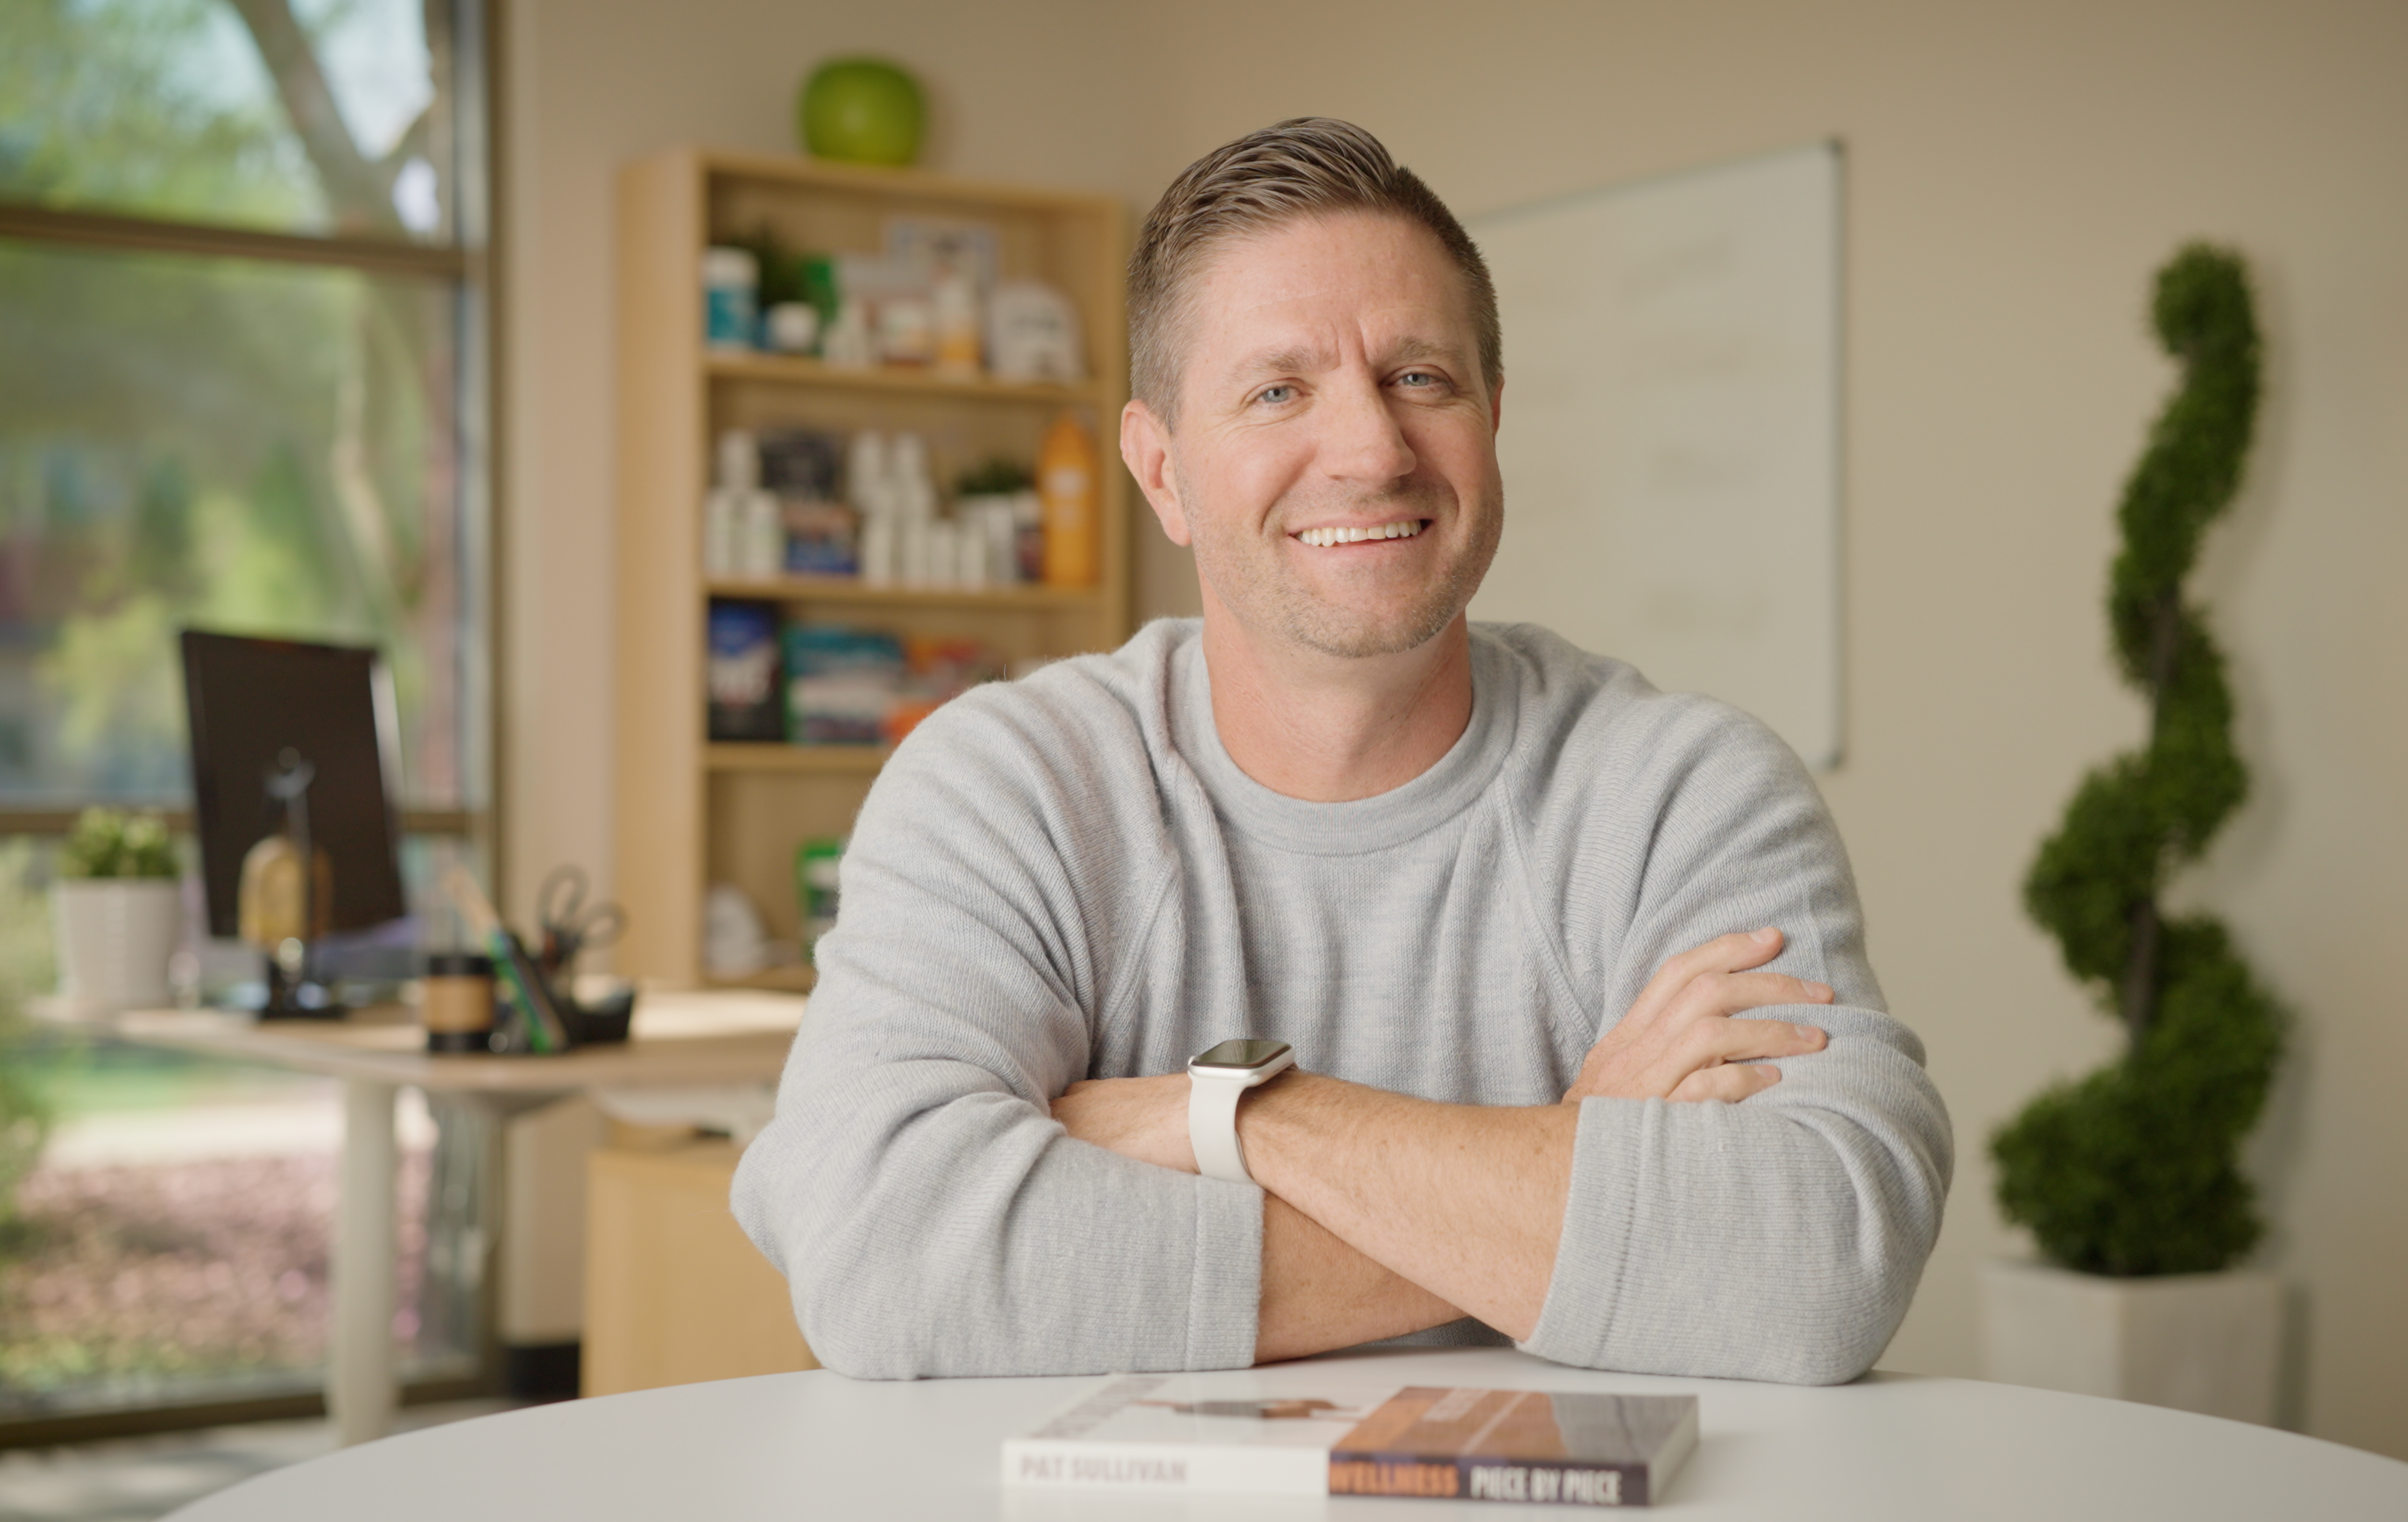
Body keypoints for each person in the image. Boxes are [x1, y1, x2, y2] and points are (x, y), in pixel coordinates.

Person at [732, 118, 1951, 1385]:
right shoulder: (1012, 786)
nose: (1372, 451)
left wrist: (1239, 1114)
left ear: (1491, 419)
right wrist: (1571, 1156)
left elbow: (1820, 1264)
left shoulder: (1684, 793)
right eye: (1278, 391)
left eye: (1422, 378)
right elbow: (885, 1256)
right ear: (1160, 471)